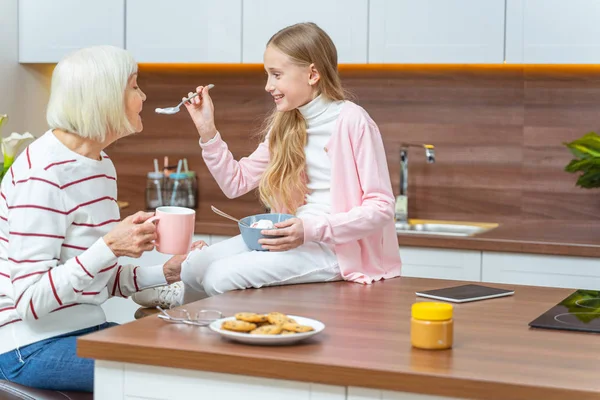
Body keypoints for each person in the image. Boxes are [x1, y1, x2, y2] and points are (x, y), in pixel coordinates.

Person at [133, 22, 401, 308]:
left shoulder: (352, 120)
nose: (268, 86)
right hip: (293, 235)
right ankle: (187, 304)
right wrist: (207, 130)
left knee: (217, 277)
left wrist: (309, 230)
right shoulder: (286, 123)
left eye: (276, 75)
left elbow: (382, 207)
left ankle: (189, 305)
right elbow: (235, 183)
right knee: (195, 268)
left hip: (337, 249)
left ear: (312, 74)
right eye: (267, 75)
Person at [0, 45, 205, 392]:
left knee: (192, 351)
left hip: (85, 330)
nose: (143, 96)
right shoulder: (43, 175)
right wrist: (109, 247)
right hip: (30, 346)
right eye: (134, 86)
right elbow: (31, 302)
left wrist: (165, 271)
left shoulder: (100, 165)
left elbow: (96, 279)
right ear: (106, 97)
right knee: (175, 377)